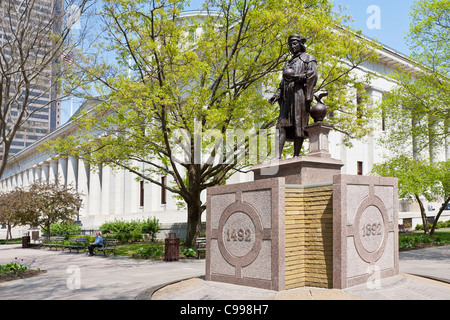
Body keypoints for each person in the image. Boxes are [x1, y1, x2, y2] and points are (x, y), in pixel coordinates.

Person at [269, 34, 318, 158]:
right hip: (287, 98)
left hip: (299, 96)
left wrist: (297, 77)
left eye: (295, 43)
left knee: (298, 125)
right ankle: (277, 156)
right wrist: (276, 95)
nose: (292, 46)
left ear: (301, 44)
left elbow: (313, 75)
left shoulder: (308, 58)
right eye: (291, 44)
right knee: (281, 125)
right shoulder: (289, 62)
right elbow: (283, 82)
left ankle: (296, 155)